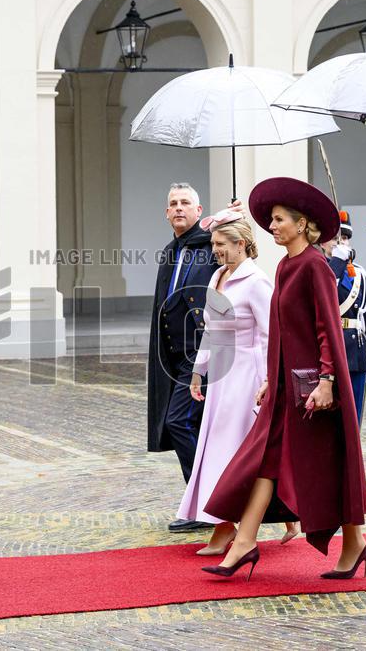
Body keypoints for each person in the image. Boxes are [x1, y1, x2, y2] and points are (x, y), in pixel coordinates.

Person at [202, 177, 366, 581]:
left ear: (301, 223)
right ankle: (244, 544)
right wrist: (270, 378)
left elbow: (327, 328)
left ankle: (354, 543)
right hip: (287, 388)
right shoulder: (284, 266)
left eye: (279, 220)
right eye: (272, 220)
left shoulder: (314, 265)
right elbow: (279, 330)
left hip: (315, 389)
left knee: (330, 465)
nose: (272, 226)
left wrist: (328, 379)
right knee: (267, 461)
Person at [178, 209, 297, 555]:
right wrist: (199, 372)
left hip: (247, 377)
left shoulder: (257, 282)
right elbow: (212, 332)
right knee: (224, 448)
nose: (214, 249)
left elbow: (270, 336)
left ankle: (226, 527)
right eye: (213, 243)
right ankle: (271, 517)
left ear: (240, 244)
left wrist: (268, 381)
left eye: (219, 243)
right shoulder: (217, 277)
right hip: (222, 379)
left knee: (232, 451)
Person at [147, 182, 221, 533]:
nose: (179, 208)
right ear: (166, 213)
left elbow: (236, 240)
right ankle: (205, 503)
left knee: (178, 421)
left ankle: (204, 504)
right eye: (173, 203)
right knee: (186, 424)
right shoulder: (170, 251)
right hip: (174, 354)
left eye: (185, 203)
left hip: (202, 351)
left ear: (199, 211)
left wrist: (228, 217)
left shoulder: (210, 246)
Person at [320, 211, 366, 423]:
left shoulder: (360, 274)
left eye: (344, 237)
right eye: (334, 238)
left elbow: (364, 317)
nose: (340, 242)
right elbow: (323, 294)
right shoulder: (320, 269)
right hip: (329, 349)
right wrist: (337, 264)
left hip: (355, 351)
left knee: (353, 418)